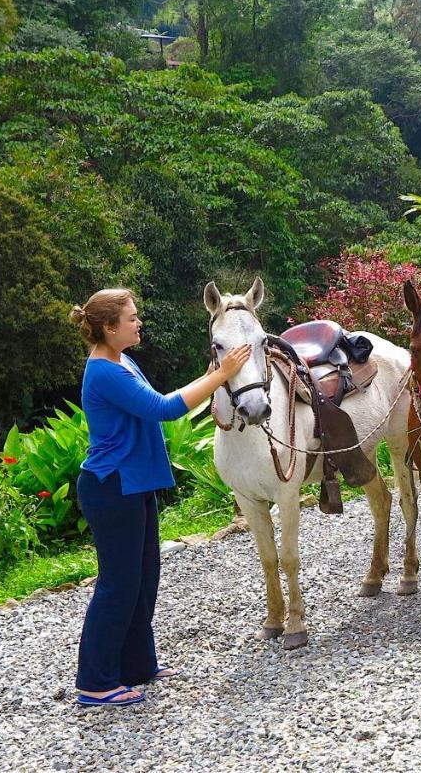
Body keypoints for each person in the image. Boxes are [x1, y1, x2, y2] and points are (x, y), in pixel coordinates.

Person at [70, 288, 251, 706]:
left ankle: (136, 665)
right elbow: (166, 408)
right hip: (111, 486)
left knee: (143, 577)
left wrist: (217, 374)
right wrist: (221, 375)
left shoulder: (123, 360)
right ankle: (94, 681)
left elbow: (158, 403)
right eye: (131, 318)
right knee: (118, 584)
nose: (139, 322)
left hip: (133, 484)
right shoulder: (105, 372)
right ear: (109, 327)